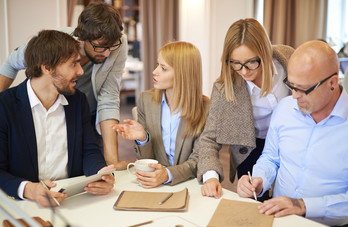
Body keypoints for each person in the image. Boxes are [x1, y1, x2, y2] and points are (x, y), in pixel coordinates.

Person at [237, 40, 348, 227]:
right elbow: (270, 158)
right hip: (277, 220)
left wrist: (303, 206)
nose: (294, 96)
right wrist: (259, 180)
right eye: (291, 86)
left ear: (332, 83)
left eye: (303, 89)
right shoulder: (285, 108)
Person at [0, 2, 128, 170]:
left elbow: (109, 97)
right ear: (82, 37)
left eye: (112, 46)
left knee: (91, 164)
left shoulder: (116, 43)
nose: (107, 53)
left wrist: (112, 161)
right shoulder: (52, 46)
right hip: (58, 110)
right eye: (100, 47)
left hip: (85, 112)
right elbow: (10, 63)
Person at [0, 30, 115, 207]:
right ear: (47, 67)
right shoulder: (5, 106)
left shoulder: (78, 100)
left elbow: (89, 150)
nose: (80, 71)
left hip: (73, 201)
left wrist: (100, 174)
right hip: (23, 206)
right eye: (73, 64)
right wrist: (28, 189)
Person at [196, 18, 294, 198]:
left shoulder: (287, 59)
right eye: (236, 63)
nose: (244, 71)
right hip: (250, 149)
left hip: (290, 141)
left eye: (251, 62)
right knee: (255, 205)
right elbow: (208, 138)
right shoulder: (224, 88)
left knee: (288, 200)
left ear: (264, 52)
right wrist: (210, 176)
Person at [112, 41, 209, 188]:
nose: (155, 71)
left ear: (183, 74)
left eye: (163, 68)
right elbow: (146, 161)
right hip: (153, 184)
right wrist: (143, 138)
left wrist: (167, 174)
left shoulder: (206, 108)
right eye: (158, 65)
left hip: (190, 186)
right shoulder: (146, 100)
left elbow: (199, 160)